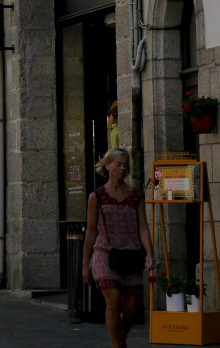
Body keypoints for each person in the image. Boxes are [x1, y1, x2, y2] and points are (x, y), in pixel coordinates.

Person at [83, 148, 153, 348]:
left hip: (132, 255)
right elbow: (90, 231)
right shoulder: (97, 196)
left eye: (125, 165)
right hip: (105, 254)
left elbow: (143, 228)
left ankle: (120, 335)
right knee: (113, 302)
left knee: (131, 309)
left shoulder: (136, 196)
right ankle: (116, 345)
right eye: (118, 164)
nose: (123, 169)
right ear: (107, 165)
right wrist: (85, 264)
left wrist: (149, 252)